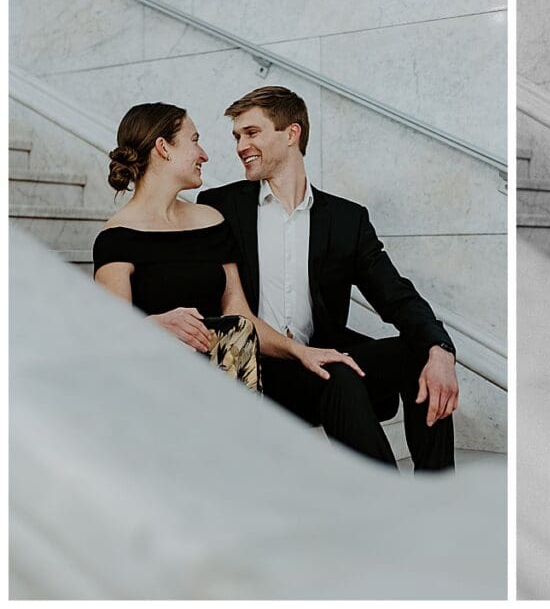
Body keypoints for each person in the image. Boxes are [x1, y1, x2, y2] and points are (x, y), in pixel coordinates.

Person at [198, 86, 458, 472]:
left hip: (321, 356)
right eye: (237, 136)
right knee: (338, 371)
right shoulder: (220, 206)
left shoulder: (346, 220)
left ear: (291, 133)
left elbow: (395, 295)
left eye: (251, 133)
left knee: (421, 353)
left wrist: (441, 349)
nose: (240, 146)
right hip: (258, 368)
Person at [93, 103, 372, 430]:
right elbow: (108, 339)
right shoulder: (117, 238)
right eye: (194, 140)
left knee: (339, 381)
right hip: (162, 398)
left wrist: (300, 352)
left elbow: (241, 316)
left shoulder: (211, 221)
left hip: (231, 388)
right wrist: (152, 325)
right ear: (163, 148)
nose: (204, 154)